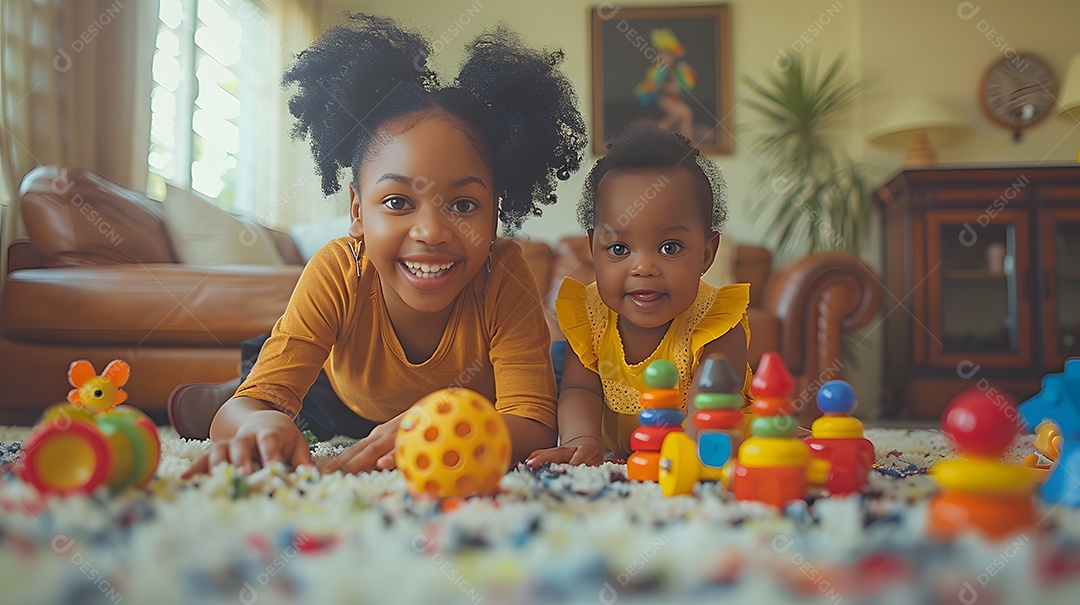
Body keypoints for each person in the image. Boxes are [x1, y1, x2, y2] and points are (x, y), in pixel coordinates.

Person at [179, 13, 586, 478]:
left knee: (554, 368)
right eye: (397, 201)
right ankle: (210, 392)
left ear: (496, 213)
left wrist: (432, 424)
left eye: (464, 204)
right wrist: (258, 419)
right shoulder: (339, 270)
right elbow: (244, 413)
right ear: (357, 211)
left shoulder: (504, 274)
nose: (431, 231)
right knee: (260, 403)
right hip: (335, 395)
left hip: (462, 406)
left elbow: (532, 424)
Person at [526, 124, 750, 466]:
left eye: (669, 247)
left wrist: (689, 455)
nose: (643, 268)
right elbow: (580, 390)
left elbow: (712, 404)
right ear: (593, 249)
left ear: (707, 254)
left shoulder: (716, 322)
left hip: (704, 437)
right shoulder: (588, 316)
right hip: (624, 450)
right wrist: (581, 439)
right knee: (555, 366)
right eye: (618, 248)